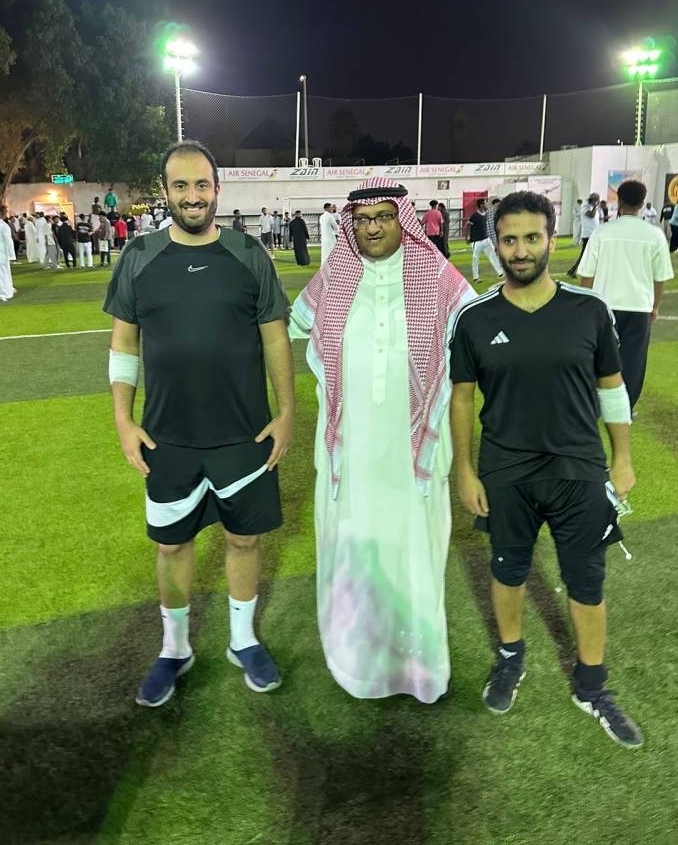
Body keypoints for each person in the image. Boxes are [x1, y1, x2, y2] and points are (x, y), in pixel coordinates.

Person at [449, 190, 643, 749]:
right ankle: (511, 657)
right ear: (496, 244)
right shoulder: (475, 318)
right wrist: (465, 469)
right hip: (506, 471)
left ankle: (592, 684)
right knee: (508, 571)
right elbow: (461, 398)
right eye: (509, 239)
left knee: (586, 580)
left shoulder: (589, 311)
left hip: (579, 470)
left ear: (551, 241)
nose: (520, 250)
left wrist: (622, 457)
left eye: (531, 238)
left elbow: (612, 387)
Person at [104, 139, 294, 707]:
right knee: (172, 547)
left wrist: (286, 411)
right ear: (165, 192)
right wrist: (123, 419)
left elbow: (275, 338)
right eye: (180, 185)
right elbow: (124, 343)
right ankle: (175, 648)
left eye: (201, 184)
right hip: (168, 438)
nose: (192, 196)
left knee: (244, 538)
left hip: (244, 434)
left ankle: (242, 640)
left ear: (217, 189)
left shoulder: (249, 255)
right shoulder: (138, 256)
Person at [289, 177, 473, 703]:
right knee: (355, 551)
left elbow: (478, 337)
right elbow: (294, 326)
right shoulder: (334, 278)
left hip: (413, 457)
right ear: (352, 224)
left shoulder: (439, 279)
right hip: (353, 455)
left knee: (413, 553)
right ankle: (357, 666)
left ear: (402, 220)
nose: (373, 228)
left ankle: (419, 671)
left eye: (385, 217)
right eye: (364, 219)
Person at [578, 179, 673, 414]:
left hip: (604, 306)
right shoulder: (654, 235)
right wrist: (655, 306)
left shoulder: (603, 232)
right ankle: (624, 409)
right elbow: (660, 277)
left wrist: (585, 305)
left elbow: (587, 274)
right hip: (639, 306)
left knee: (600, 356)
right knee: (633, 361)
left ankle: (595, 406)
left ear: (618, 201)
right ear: (642, 203)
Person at [466, 198, 503, 283]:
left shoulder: (486, 214)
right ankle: (476, 277)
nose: (487, 205)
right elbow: (467, 225)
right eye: (485, 203)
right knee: (475, 259)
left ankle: (500, 273)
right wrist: (467, 237)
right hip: (477, 241)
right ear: (481, 205)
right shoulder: (474, 216)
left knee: (493, 256)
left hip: (486, 239)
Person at [568, 193, 600, 276]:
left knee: (590, 254)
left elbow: (594, 220)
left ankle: (573, 270)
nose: (598, 201)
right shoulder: (585, 207)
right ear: (594, 200)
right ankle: (573, 270)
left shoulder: (592, 207)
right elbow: (591, 215)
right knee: (584, 255)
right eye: (597, 199)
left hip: (593, 234)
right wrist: (595, 207)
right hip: (588, 234)